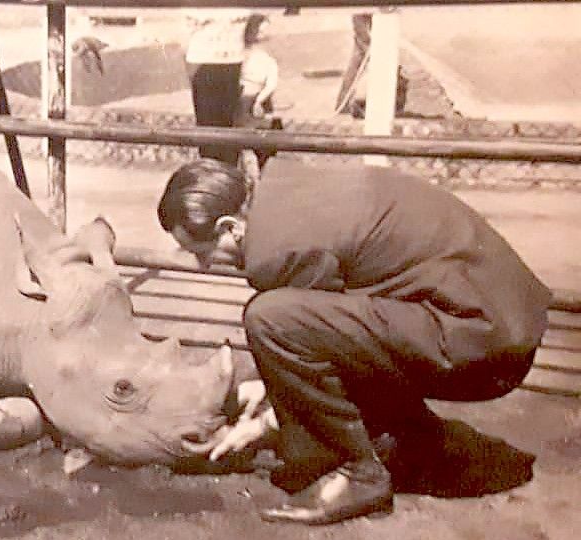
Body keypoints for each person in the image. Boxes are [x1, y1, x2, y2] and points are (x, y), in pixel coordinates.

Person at [159, 157, 551, 525]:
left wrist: (264, 422)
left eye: (204, 253)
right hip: (497, 319)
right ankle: (413, 438)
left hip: (485, 350)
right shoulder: (284, 187)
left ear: (230, 226)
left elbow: (307, 339)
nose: (204, 265)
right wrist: (270, 395)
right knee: (295, 323)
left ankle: (359, 473)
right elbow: (337, 331)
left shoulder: (274, 251)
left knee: (270, 317)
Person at [185, 11, 279, 167]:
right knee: (210, 132)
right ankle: (213, 169)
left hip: (232, 64)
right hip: (205, 62)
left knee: (231, 133)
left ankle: (229, 171)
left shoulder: (261, 57)